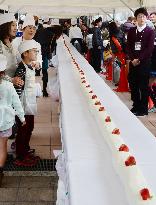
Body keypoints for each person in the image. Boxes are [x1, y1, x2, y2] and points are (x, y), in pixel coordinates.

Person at [0, 54, 25, 186]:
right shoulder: (8, 85)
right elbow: (17, 103)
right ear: (3, 71)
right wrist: (22, 117)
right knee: (2, 147)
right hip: (5, 120)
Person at [14, 40, 40, 166]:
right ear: (25, 53)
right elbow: (18, 91)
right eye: (34, 51)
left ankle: (25, 150)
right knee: (22, 131)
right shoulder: (21, 70)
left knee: (29, 128)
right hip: (23, 106)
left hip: (29, 104)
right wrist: (18, 111)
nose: (36, 53)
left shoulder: (29, 66)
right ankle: (20, 156)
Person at [127, 7, 155, 116]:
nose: (141, 18)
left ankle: (143, 109)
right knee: (133, 84)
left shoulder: (150, 31)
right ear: (136, 18)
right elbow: (128, 46)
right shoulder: (131, 31)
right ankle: (136, 105)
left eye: (143, 16)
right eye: (139, 16)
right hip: (133, 62)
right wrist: (132, 58)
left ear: (146, 17)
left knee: (143, 85)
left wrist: (139, 59)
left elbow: (150, 48)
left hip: (144, 63)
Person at [0, 13, 23, 86]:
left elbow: (19, 61)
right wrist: (11, 80)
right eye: (13, 25)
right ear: (5, 27)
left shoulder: (13, 44)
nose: (16, 28)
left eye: (16, 25)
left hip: (12, 85)